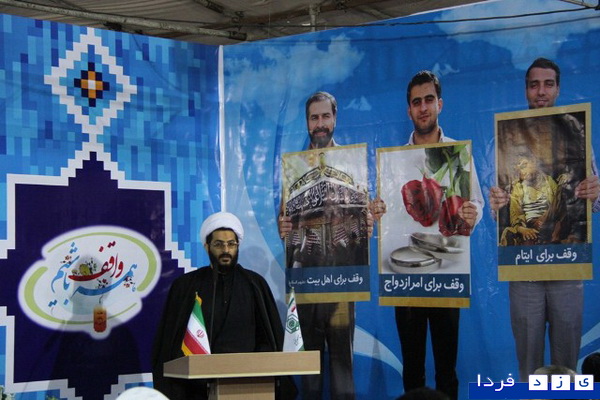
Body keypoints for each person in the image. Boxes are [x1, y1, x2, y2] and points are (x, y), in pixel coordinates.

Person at [489, 57, 600, 380]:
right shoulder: (504, 141)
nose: (541, 91)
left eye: (548, 84)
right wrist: (497, 204)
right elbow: (495, 207)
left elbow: (593, 202)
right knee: (528, 364)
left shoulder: (578, 136)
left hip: (567, 264)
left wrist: (595, 192)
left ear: (558, 89)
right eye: (534, 85)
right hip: (524, 268)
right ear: (526, 90)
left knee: (566, 363)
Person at [277, 91, 385, 399]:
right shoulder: (293, 168)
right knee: (309, 371)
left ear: (335, 118)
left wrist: (369, 221)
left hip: (342, 282)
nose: (320, 124)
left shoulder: (353, 164)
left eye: (325, 116)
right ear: (307, 123)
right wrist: (282, 227)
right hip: (306, 282)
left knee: (341, 366)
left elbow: (363, 221)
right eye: (314, 118)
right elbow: (285, 221)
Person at [394, 70, 484, 400]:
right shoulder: (394, 160)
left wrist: (474, 212)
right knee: (412, 369)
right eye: (416, 102)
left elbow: (476, 201)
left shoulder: (458, 153)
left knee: (447, 369)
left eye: (428, 100)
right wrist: (378, 211)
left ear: (440, 104)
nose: (423, 107)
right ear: (409, 110)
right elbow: (389, 213)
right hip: (406, 277)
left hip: (446, 274)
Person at [152, 211, 288, 400]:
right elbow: (169, 345)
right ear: (207, 246)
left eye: (231, 244)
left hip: (249, 384)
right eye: (218, 244)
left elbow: (269, 338)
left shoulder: (255, 284)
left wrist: (254, 366)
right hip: (196, 389)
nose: (226, 250)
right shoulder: (186, 286)